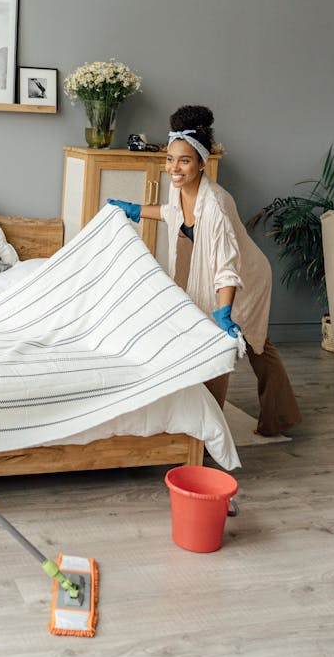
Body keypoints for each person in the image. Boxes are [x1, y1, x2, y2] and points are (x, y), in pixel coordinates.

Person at [109, 105, 301, 437]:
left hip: (245, 278)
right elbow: (174, 214)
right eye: (170, 159)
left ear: (201, 162)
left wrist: (224, 311)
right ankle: (276, 416)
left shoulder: (217, 205)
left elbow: (227, 263)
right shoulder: (180, 188)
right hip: (221, 277)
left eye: (184, 160)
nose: (174, 168)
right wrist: (135, 210)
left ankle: (210, 433)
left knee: (239, 344)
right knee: (245, 344)